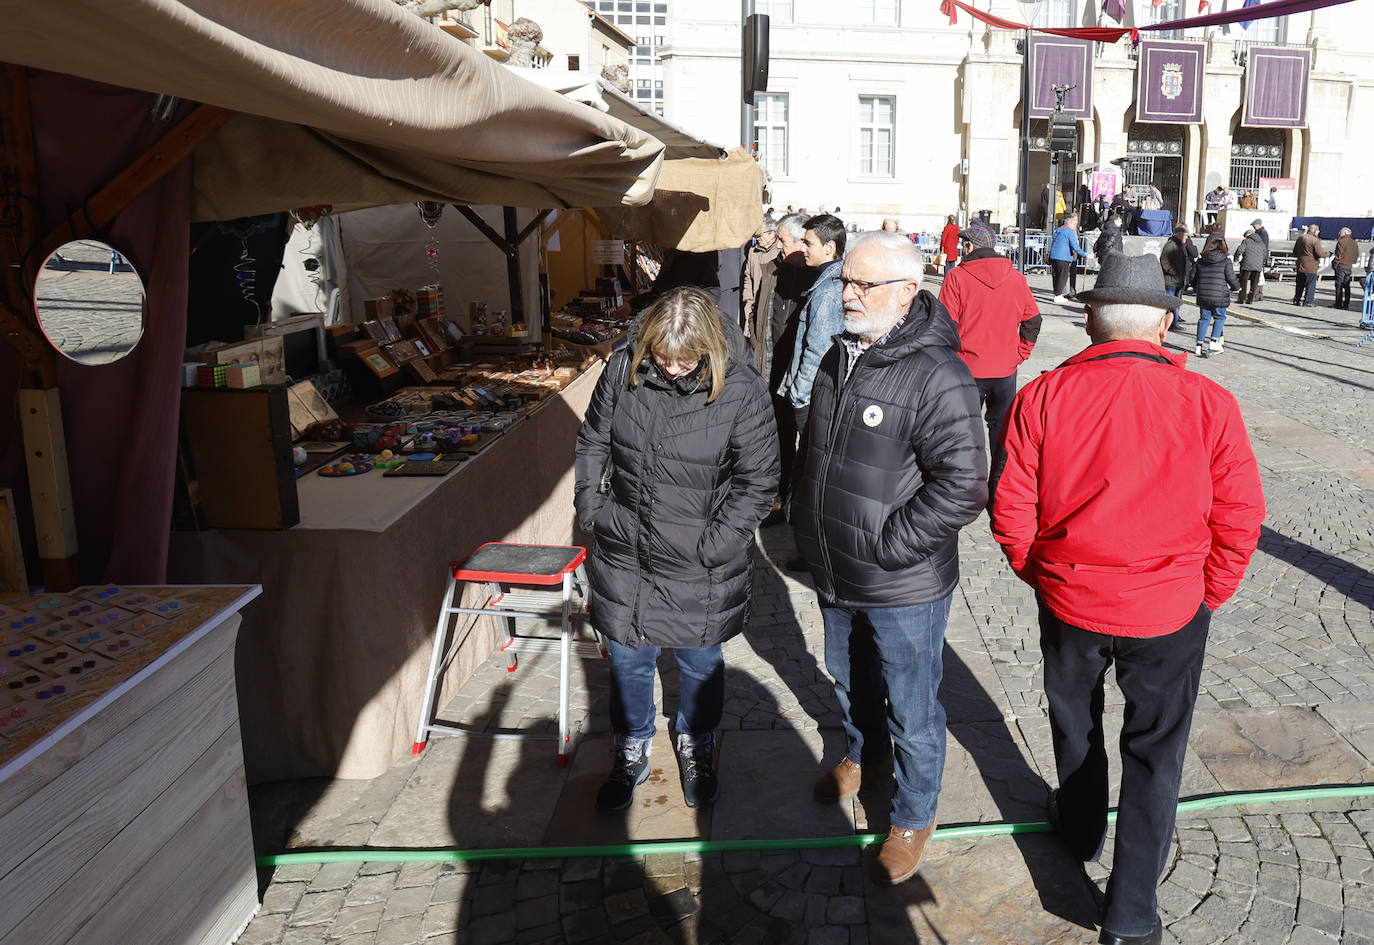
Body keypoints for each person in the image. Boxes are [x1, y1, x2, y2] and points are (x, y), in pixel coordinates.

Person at [991, 252, 1265, 945]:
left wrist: (1044, 574)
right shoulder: (1208, 401)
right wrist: (1210, 592)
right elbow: (1239, 515)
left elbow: (1011, 510)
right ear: (1166, 325)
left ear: (1090, 321)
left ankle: (1081, 827)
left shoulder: (1045, 395)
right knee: (1155, 754)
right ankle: (1131, 914)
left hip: (1076, 597)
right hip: (1168, 607)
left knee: (1075, 725)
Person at [793, 230, 987, 886]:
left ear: (907, 292)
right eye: (846, 281)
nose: (846, 294)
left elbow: (963, 485)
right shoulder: (837, 357)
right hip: (835, 564)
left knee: (911, 700)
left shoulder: (938, 373)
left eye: (864, 285)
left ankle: (913, 812)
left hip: (901, 578)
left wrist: (889, 546)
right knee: (849, 675)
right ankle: (864, 752)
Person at [574, 286, 780, 812]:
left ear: (709, 348)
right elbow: (593, 440)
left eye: (683, 358)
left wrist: (717, 544)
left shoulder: (740, 389)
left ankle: (696, 741)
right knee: (628, 658)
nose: (670, 366)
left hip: (698, 558)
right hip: (627, 548)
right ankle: (632, 746)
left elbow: (758, 483)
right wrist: (591, 509)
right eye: (661, 355)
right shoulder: (623, 368)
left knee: (699, 661)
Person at [937, 221, 1040, 500]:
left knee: (964, 433)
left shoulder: (956, 277)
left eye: (964, 245)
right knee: (1001, 432)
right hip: (1005, 370)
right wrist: (1021, 353)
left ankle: (963, 490)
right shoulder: (1016, 278)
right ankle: (998, 493)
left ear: (970, 247)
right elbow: (1033, 320)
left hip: (967, 369)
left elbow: (944, 325)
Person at [777, 213, 847, 566]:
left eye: (809, 243)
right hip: (812, 394)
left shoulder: (829, 291)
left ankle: (816, 548)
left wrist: (800, 398)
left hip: (813, 396)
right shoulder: (824, 283)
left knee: (813, 476)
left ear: (830, 248)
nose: (803, 249)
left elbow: (816, 351)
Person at [742, 220, 781, 375]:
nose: (756, 237)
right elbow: (747, 276)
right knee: (751, 339)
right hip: (752, 304)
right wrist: (747, 298)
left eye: (760, 234)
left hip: (768, 304)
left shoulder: (779, 252)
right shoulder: (753, 252)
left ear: (772, 235)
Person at [1190, 235, 1239, 357]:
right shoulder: (1225, 261)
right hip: (1219, 295)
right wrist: (1236, 288)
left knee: (1204, 319)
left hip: (1203, 295)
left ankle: (1198, 346)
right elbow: (1231, 278)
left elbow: (1192, 278)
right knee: (1219, 317)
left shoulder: (1201, 261)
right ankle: (1214, 341)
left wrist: (1196, 286)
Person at [1159, 225, 1197, 331]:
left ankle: (1173, 322)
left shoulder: (1180, 245)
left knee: (1176, 302)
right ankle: (1172, 323)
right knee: (1172, 303)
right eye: (1185, 236)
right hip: (1171, 280)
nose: (1187, 239)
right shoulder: (1171, 245)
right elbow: (1164, 261)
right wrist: (1173, 272)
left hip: (1179, 280)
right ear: (1179, 235)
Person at [1049, 213, 1089, 304]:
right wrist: (1084, 254)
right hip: (1063, 256)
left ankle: (1056, 294)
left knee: (1056, 276)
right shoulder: (1070, 231)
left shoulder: (1059, 229)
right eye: (1074, 223)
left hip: (1054, 255)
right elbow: (1074, 245)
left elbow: (1053, 240)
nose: (1075, 225)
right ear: (1070, 223)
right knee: (1062, 276)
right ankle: (1058, 296)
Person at [1292, 224, 1329, 307]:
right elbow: (1319, 253)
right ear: (1315, 232)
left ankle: (1296, 299)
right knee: (1310, 284)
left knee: (1299, 284)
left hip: (1301, 264)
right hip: (1311, 266)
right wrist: (1328, 254)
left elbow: (1295, 252)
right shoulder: (1315, 240)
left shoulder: (1300, 238)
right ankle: (1308, 301)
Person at [1233, 227, 1266, 305]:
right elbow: (1265, 254)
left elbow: (1240, 250)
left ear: (1248, 236)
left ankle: (1241, 299)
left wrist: (1236, 259)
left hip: (1246, 266)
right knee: (1254, 284)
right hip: (1258, 266)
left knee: (1243, 283)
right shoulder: (1261, 243)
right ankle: (1250, 299)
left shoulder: (1246, 241)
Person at [1332, 226, 1359, 310]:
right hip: (1349, 266)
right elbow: (1356, 255)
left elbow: (1338, 255)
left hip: (1341, 266)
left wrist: (1335, 265)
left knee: (1339, 285)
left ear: (1345, 233)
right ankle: (1346, 303)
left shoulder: (1341, 242)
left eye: (1340, 232)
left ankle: (1338, 303)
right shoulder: (1354, 242)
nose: (1339, 234)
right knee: (1347, 285)